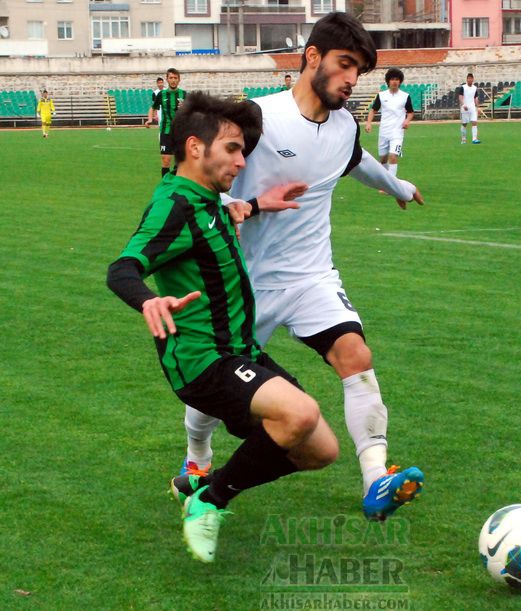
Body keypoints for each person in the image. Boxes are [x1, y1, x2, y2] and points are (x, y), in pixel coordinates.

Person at [180, 11, 425, 522]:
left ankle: (375, 478)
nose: (352, 80)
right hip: (244, 283)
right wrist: (243, 205)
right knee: (215, 386)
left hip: (312, 276)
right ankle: (197, 460)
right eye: (344, 64)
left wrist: (398, 187)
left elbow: (355, 160)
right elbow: (198, 183)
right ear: (311, 56)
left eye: (359, 70)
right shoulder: (257, 118)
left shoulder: (344, 126)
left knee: (355, 355)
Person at [108, 91, 338, 563]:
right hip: (201, 358)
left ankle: (199, 483)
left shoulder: (209, 199)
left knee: (321, 452)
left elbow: (219, 218)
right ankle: (208, 502)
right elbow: (123, 268)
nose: (241, 160)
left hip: (239, 351)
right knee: (298, 414)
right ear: (195, 147)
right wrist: (149, 299)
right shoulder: (175, 204)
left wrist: (255, 204)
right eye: (233, 149)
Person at [364, 68, 414, 179]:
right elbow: (373, 110)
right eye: (392, 79)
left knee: (393, 156)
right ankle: (385, 181)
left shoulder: (405, 96)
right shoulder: (381, 95)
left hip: (397, 132)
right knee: (383, 158)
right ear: (388, 81)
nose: (395, 81)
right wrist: (368, 123)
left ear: (400, 81)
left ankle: (392, 184)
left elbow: (410, 113)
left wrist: (407, 121)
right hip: (384, 131)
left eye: (397, 79)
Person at [146, 68, 187, 176]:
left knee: (179, 162)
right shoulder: (161, 94)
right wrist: (150, 119)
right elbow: (152, 107)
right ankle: (165, 186)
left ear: (179, 80)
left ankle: (175, 184)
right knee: (165, 160)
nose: (173, 80)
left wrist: (185, 108)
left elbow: (191, 111)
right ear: (167, 79)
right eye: (171, 78)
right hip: (166, 131)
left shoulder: (184, 94)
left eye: (175, 78)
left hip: (180, 132)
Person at [457, 73, 481, 144]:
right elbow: (460, 97)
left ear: (473, 79)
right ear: (467, 79)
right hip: (465, 108)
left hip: (472, 108)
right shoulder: (463, 87)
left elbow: (476, 98)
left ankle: (474, 139)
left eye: (471, 78)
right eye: (469, 78)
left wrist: (478, 107)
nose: (470, 80)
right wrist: (463, 104)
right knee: (464, 124)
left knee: (474, 122)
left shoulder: (474, 88)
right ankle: (463, 139)